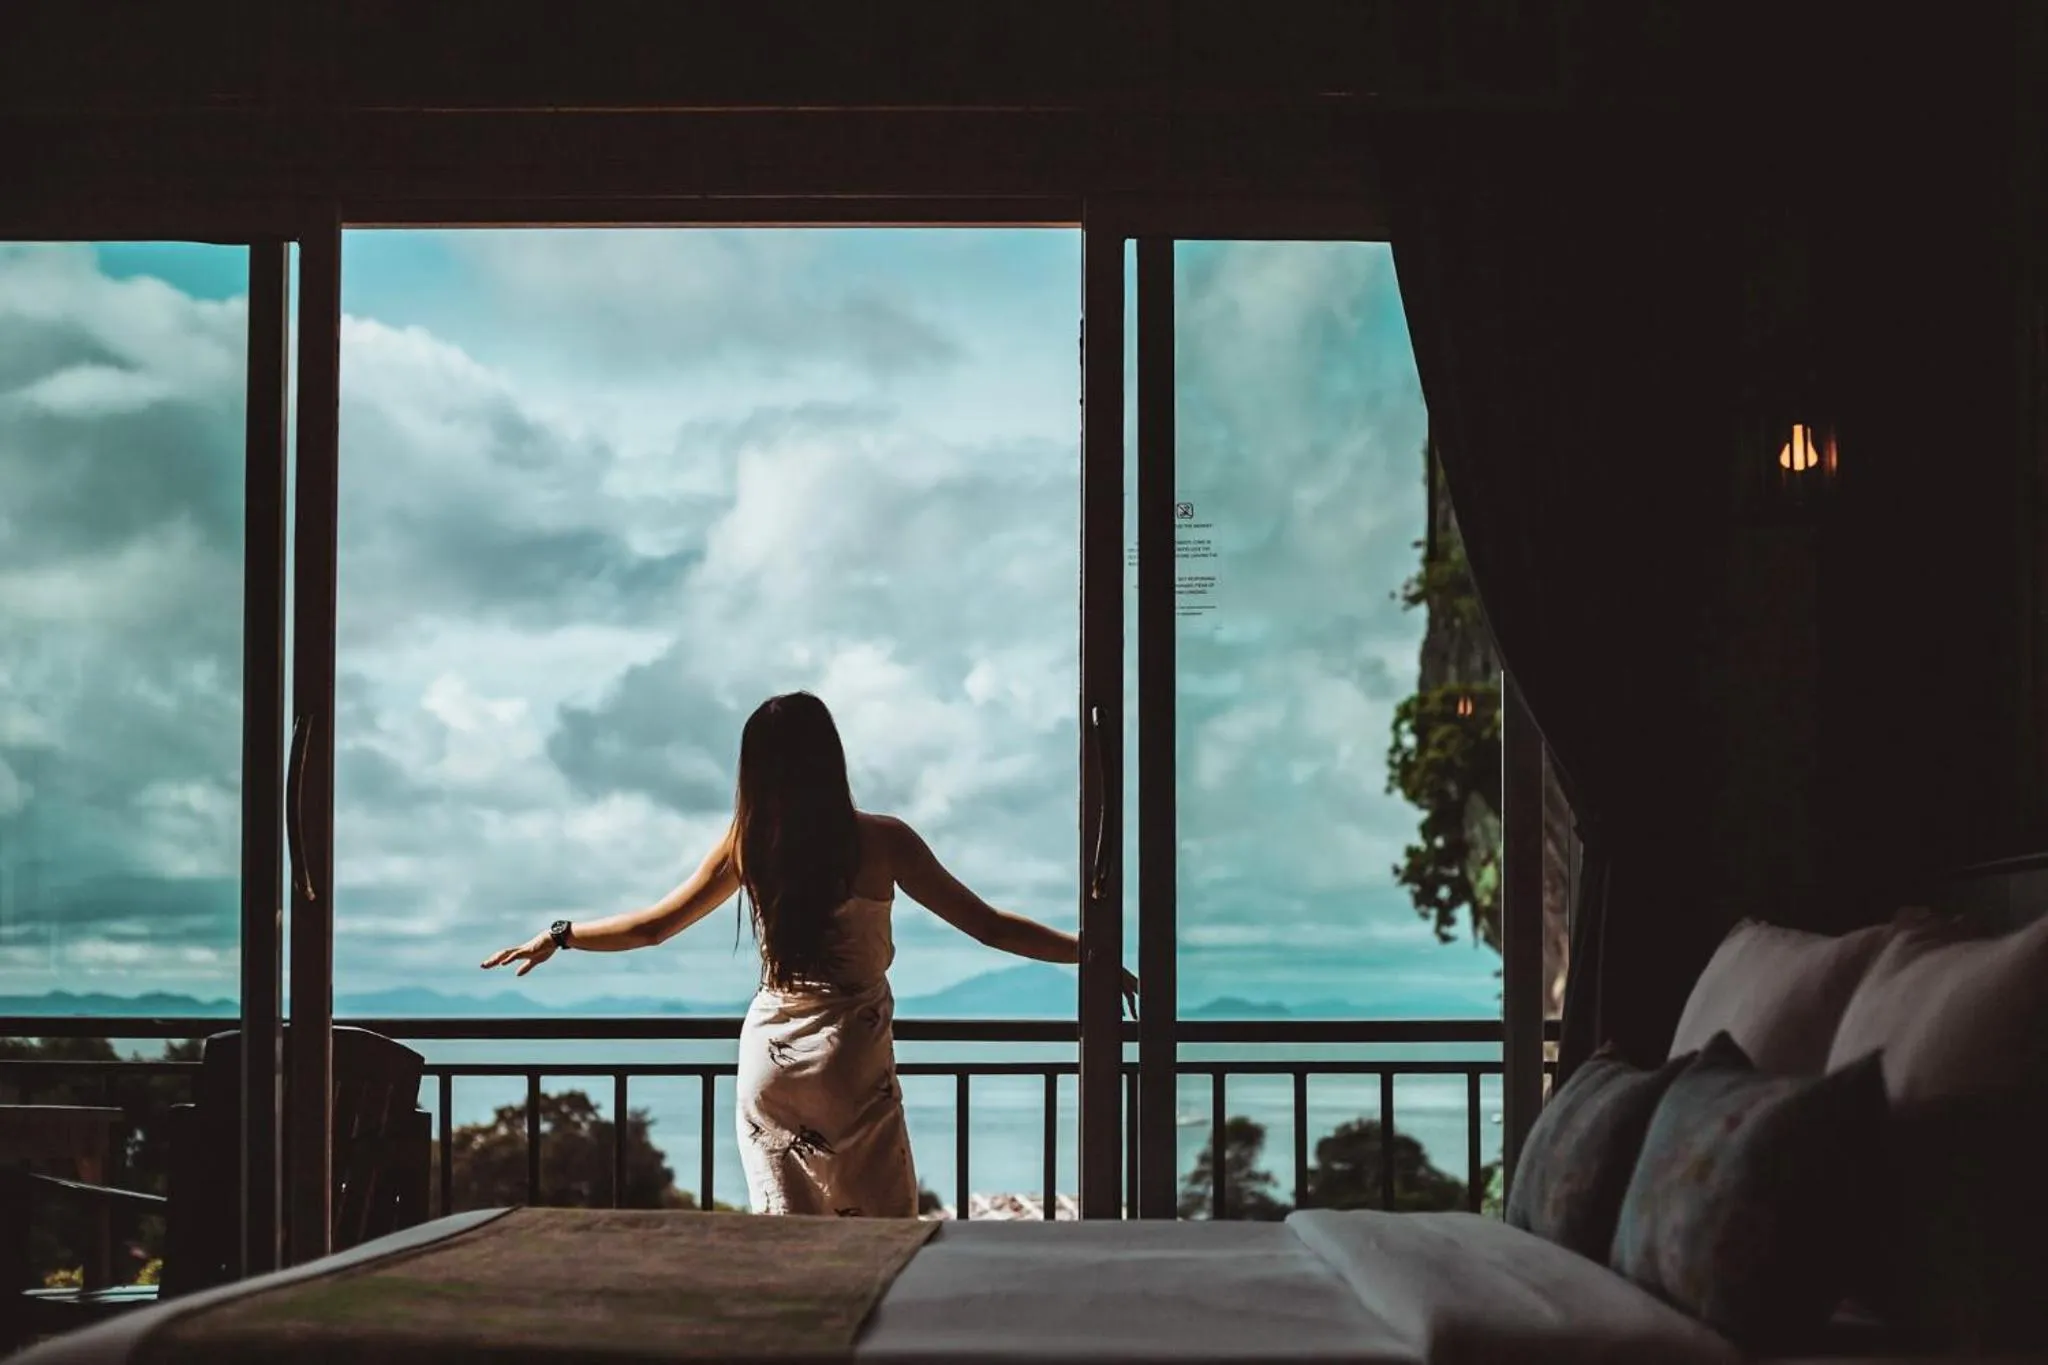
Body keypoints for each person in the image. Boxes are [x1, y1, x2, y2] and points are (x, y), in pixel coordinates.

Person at [482, 690, 1138, 1219]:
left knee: (788, 1239)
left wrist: (563, 933)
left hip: (771, 1061)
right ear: (831, 758)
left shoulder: (750, 844)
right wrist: (1091, 954)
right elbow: (989, 926)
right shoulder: (883, 840)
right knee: (879, 1235)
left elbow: (654, 926)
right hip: (851, 1059)